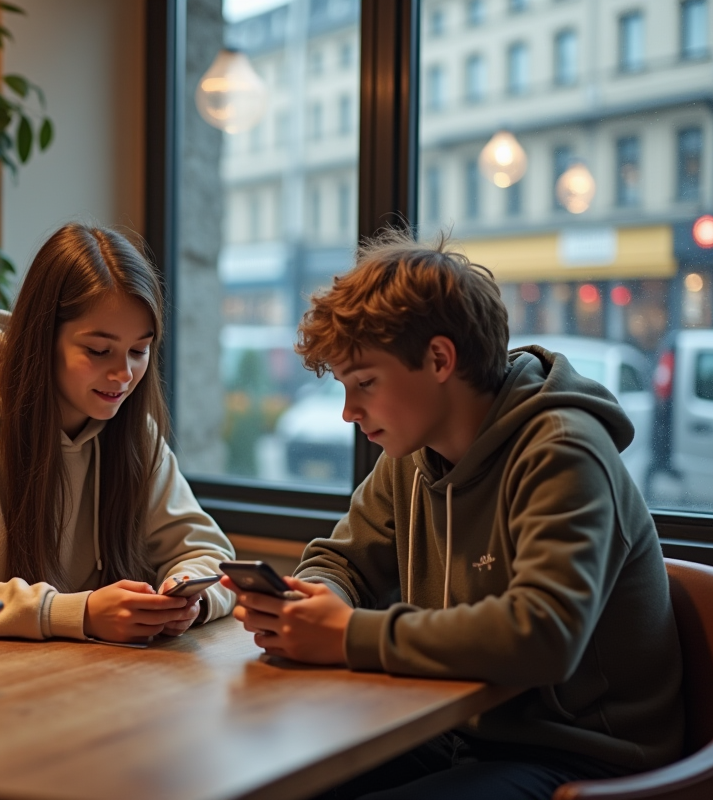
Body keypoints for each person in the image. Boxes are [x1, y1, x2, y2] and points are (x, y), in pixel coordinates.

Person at [224, 230, 683, 799]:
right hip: (460, 728)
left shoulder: (563, 448)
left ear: (440, 358)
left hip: (584, 753)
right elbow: (340, 560)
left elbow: (546, 634)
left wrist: (347, 635)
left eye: (364, 382)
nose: (348, 412)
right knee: (278, 780)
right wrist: (316, 602)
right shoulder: (414, 452)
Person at [0, 223, 236, 643]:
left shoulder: (134, 432)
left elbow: (210, 556)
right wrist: (79, 613)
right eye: (98, 350)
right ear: (42, 338)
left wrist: (189, 596)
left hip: (104, 683)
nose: (123, 374)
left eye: (138, 350)